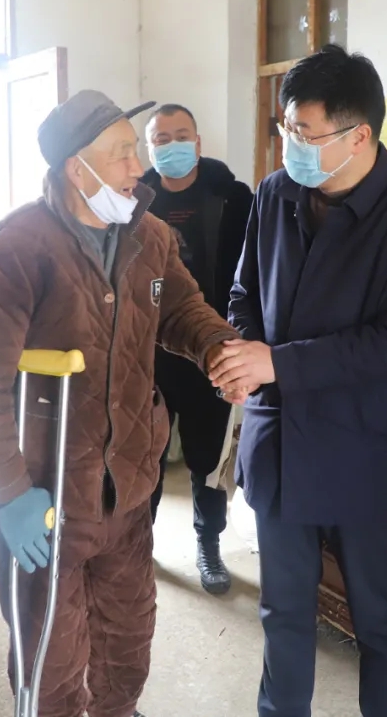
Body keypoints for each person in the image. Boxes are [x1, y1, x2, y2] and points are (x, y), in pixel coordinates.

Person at [0, 90, 240, 717]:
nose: (139, 167)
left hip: (128, 487)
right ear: (76, 169)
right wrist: (6, 492)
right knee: (50, 661)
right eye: (121, 154)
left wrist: (218, 347)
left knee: (127, 645)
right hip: (46, 494)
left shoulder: (150, 236)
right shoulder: (11, 249)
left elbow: (182, 309)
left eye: (136, 151)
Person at [209, 45, 387, 717]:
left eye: (305, 133)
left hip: (362, 446)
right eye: (286, 129)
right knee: (283, 612)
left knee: (378, 619)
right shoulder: (275, 192)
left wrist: (277, 364)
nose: (291, 145)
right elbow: (245, 292)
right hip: (281, 440)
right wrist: (242, 356)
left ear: (359, 135)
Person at [142, 103, 253, 595]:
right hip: (149, 354)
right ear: (149, 148)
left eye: (180, 135)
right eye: (160, 139)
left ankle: (209, 544)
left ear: (198, 142)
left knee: (207, 458)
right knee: (144, 453)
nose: (171, 146)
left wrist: (240, 340)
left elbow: (252, 273)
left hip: (210, 348)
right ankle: (139, 544)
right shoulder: (134, 200)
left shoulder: (233, 198)